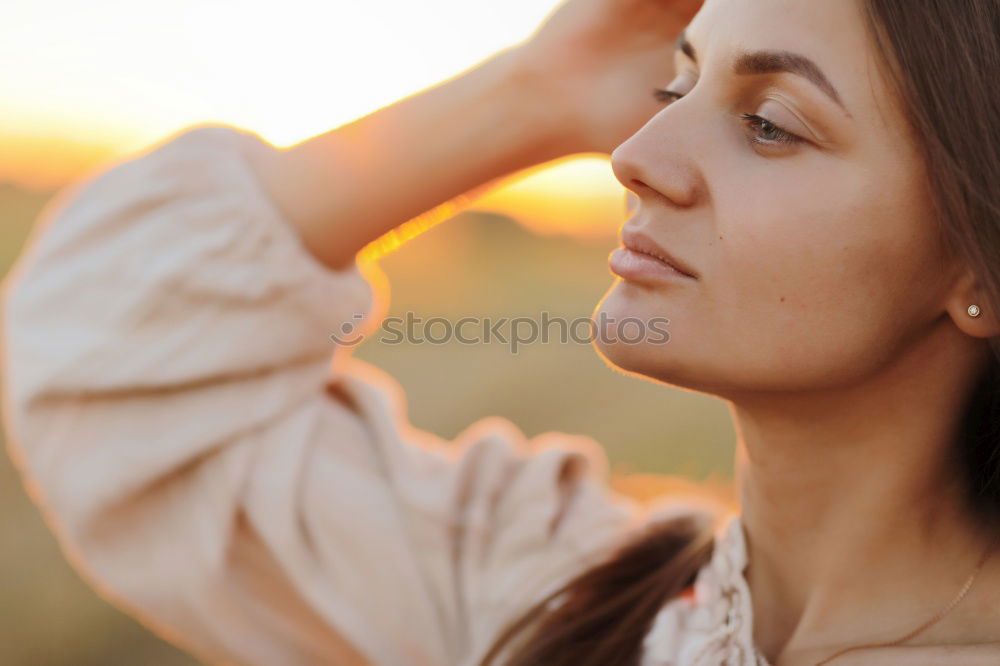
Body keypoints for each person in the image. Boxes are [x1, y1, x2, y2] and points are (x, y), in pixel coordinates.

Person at [3, 0, 1000, 664]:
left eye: (771, 124)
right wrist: (536, 91)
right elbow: (97, 350)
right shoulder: (548, 594)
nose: (636, 156)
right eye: (675, 85)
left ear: (976, 268)